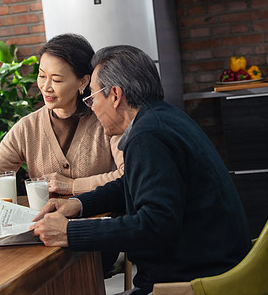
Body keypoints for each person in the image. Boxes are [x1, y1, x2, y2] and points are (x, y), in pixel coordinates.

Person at [31, 45, 252, 294]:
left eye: (92, 97)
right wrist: (80, 204)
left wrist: (69, 232)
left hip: (194, 282)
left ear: (115, 95)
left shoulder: (148, 136)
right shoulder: (162, 117)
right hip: (215, 268)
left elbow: (155, 225)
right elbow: (133, 183)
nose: (91, 107)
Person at [0, 34, 124, 200]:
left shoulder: (106, 120)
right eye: (42, 76)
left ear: (83, 81)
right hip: (47, 229)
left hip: (100, 225)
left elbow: (128, 175)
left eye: (57, 80)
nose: (46, 87)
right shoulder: (27, 128)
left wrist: (72, 186)